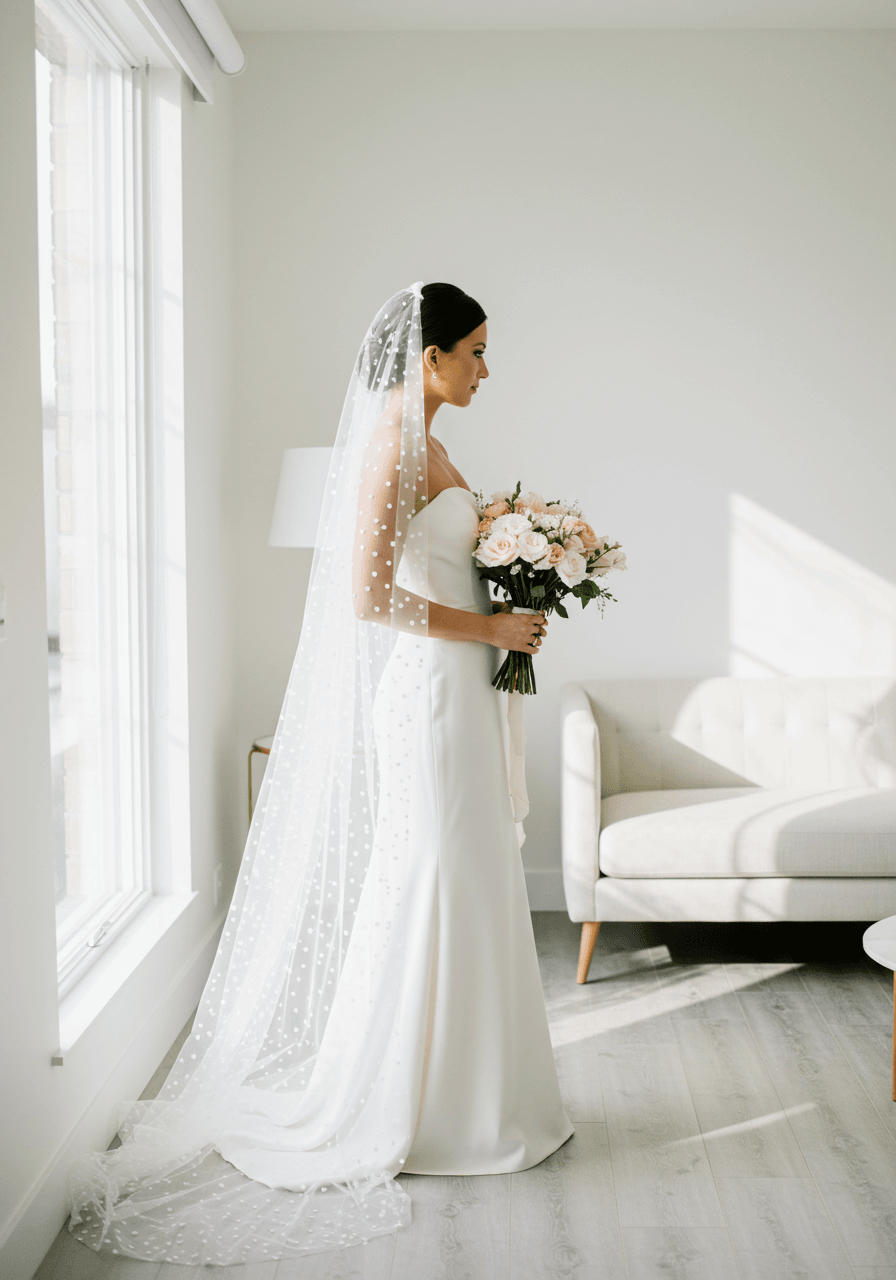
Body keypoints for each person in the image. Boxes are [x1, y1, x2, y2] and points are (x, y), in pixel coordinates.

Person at [69, 283, 572, 1266]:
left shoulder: (428, 439)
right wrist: (491, 625)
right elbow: (370, 597)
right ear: (424, 358)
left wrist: (520, 586)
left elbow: (453, 562)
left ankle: (472, 1093)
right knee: (432, 879)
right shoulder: (390, 448)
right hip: (427, 697)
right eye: (470, 350)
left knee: (464, 882)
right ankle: (422, 1107)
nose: (483, 367)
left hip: (463, 692)